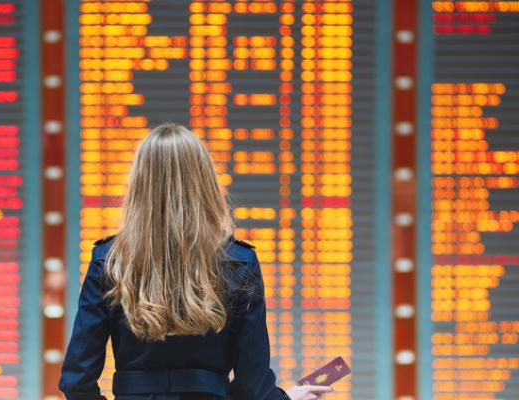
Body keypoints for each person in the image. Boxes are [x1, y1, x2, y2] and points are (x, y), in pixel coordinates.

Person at [58, 123, 334, 400]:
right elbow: (253, 387)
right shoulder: (239, 262)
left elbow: (76, 381)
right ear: (204, 182)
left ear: (138, 183)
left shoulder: (109, 261)